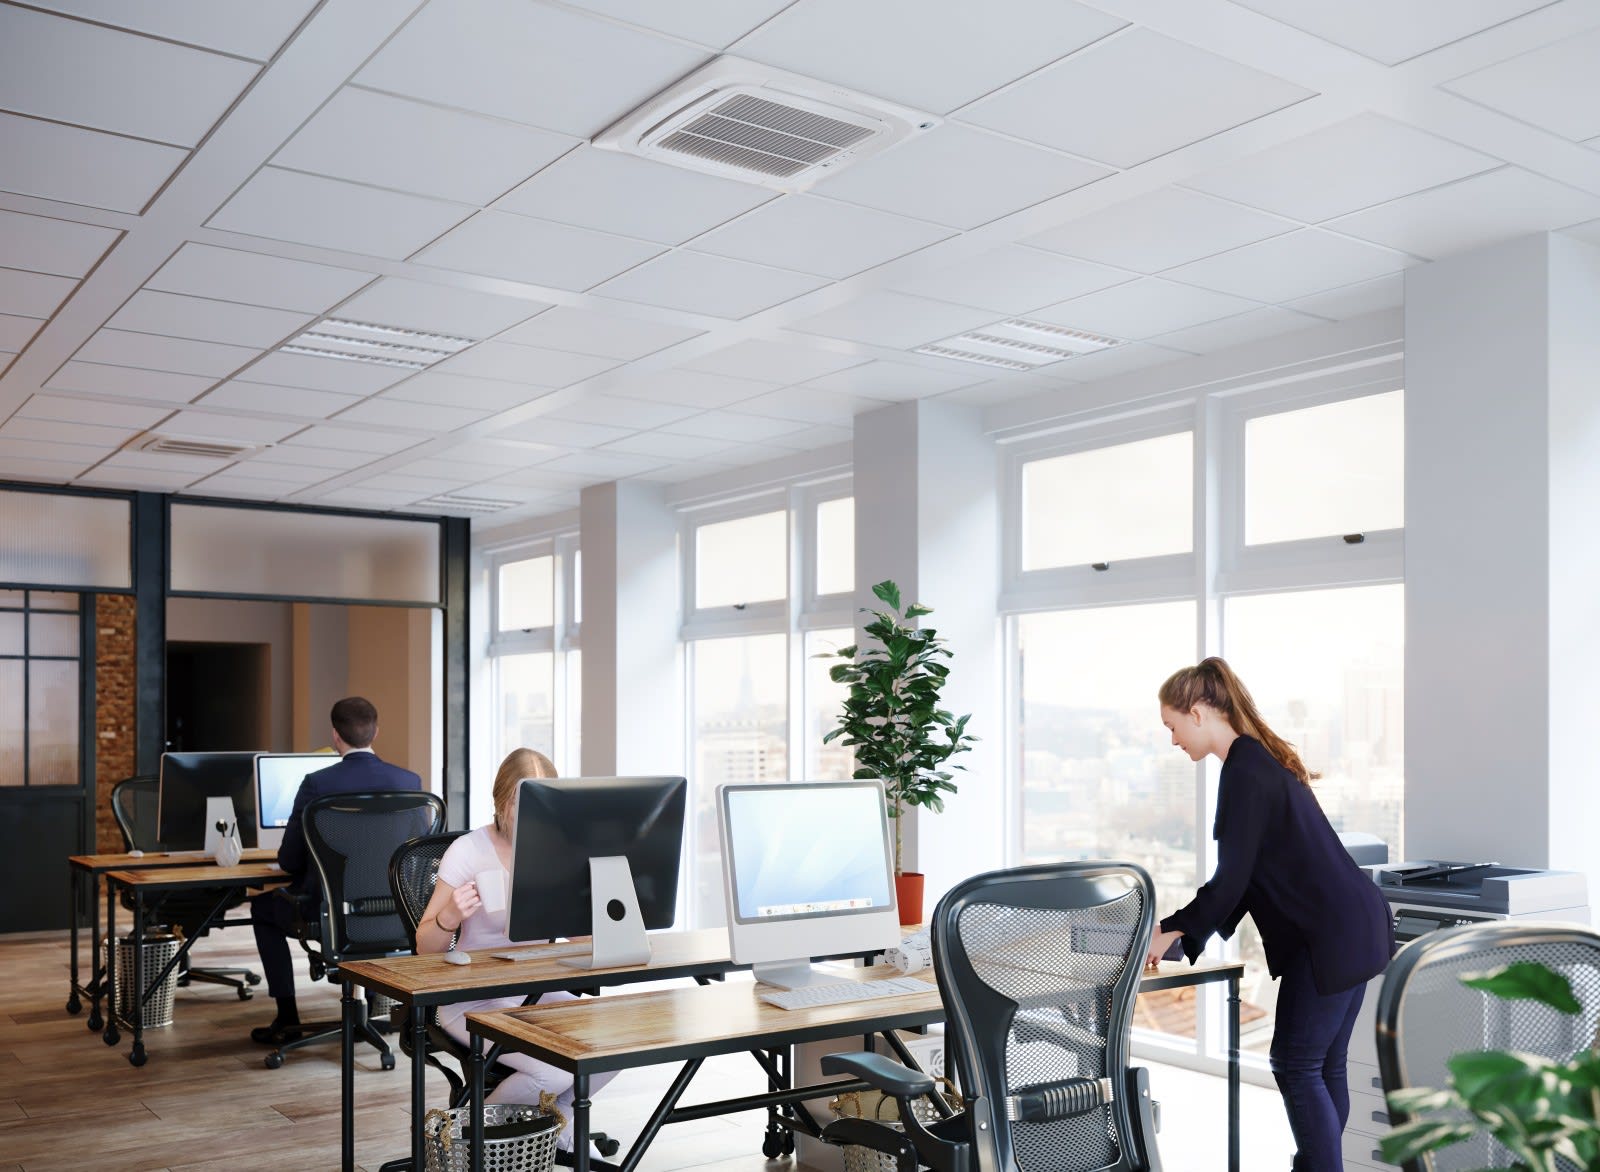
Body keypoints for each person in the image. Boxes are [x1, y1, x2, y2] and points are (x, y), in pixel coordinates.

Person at [1146, 657, 1393, 1172]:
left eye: (1172, 726)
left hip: (1329, 937)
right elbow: (1248, 880)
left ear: (1198, 713)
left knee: (1295, 1063)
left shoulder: (1244, 771)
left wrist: (1170, 929)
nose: (1172, 740)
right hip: (1358, 926)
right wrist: (1176, 934)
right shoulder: (1257, 761)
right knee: (1323, 1066)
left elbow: (1231, 880)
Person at [415, 747, 617, 1154]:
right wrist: (449, 917)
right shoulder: (469, 850)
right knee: (552, 1071)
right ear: (500, 802)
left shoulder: (560, 848)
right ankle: (465, 1141)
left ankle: (557, 1126)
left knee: (613, 1044)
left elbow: (583, 940)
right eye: (519, 804)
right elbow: (424, 948)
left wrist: (599, 918)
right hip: (471, 998)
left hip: (534, 992)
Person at [249, 696, 422, 1045]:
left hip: (329, 915)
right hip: (395, 916)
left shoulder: (317, 784)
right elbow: (413, 857)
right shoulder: (409, 780)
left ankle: (287, 1016)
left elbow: (289, 861)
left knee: (262, 909)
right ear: (376, 732)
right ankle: (368, 1011)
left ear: (335, 736)